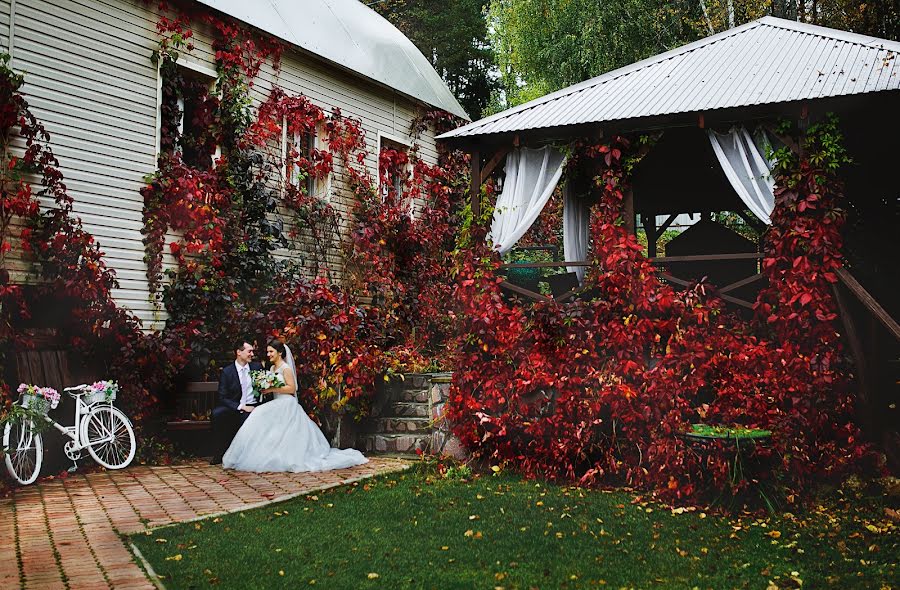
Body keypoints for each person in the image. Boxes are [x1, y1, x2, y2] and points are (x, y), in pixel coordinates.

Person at [222, 339, 369, 473]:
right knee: (262, 419)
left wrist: (271, 389)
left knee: (259, 413)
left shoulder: (286, 368)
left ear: (280, 353)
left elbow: (292, 389)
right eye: (267, 351)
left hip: (286, 402)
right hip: (276, 402)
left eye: (271, 351)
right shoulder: (272, 369)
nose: (268, 354)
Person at [210, 340, 262, 465]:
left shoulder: (257, 368)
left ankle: (247, 456)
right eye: (249, 351)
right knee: (217, 414)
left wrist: (256, 405)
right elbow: (222, 397)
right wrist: (240, 406)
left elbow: (264, 389)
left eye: (252, 352)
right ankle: (219, 453)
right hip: (235, 406)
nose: (252, 354)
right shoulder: (227, 371)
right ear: (239, 352)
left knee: (250, 417)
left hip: (253, 406)